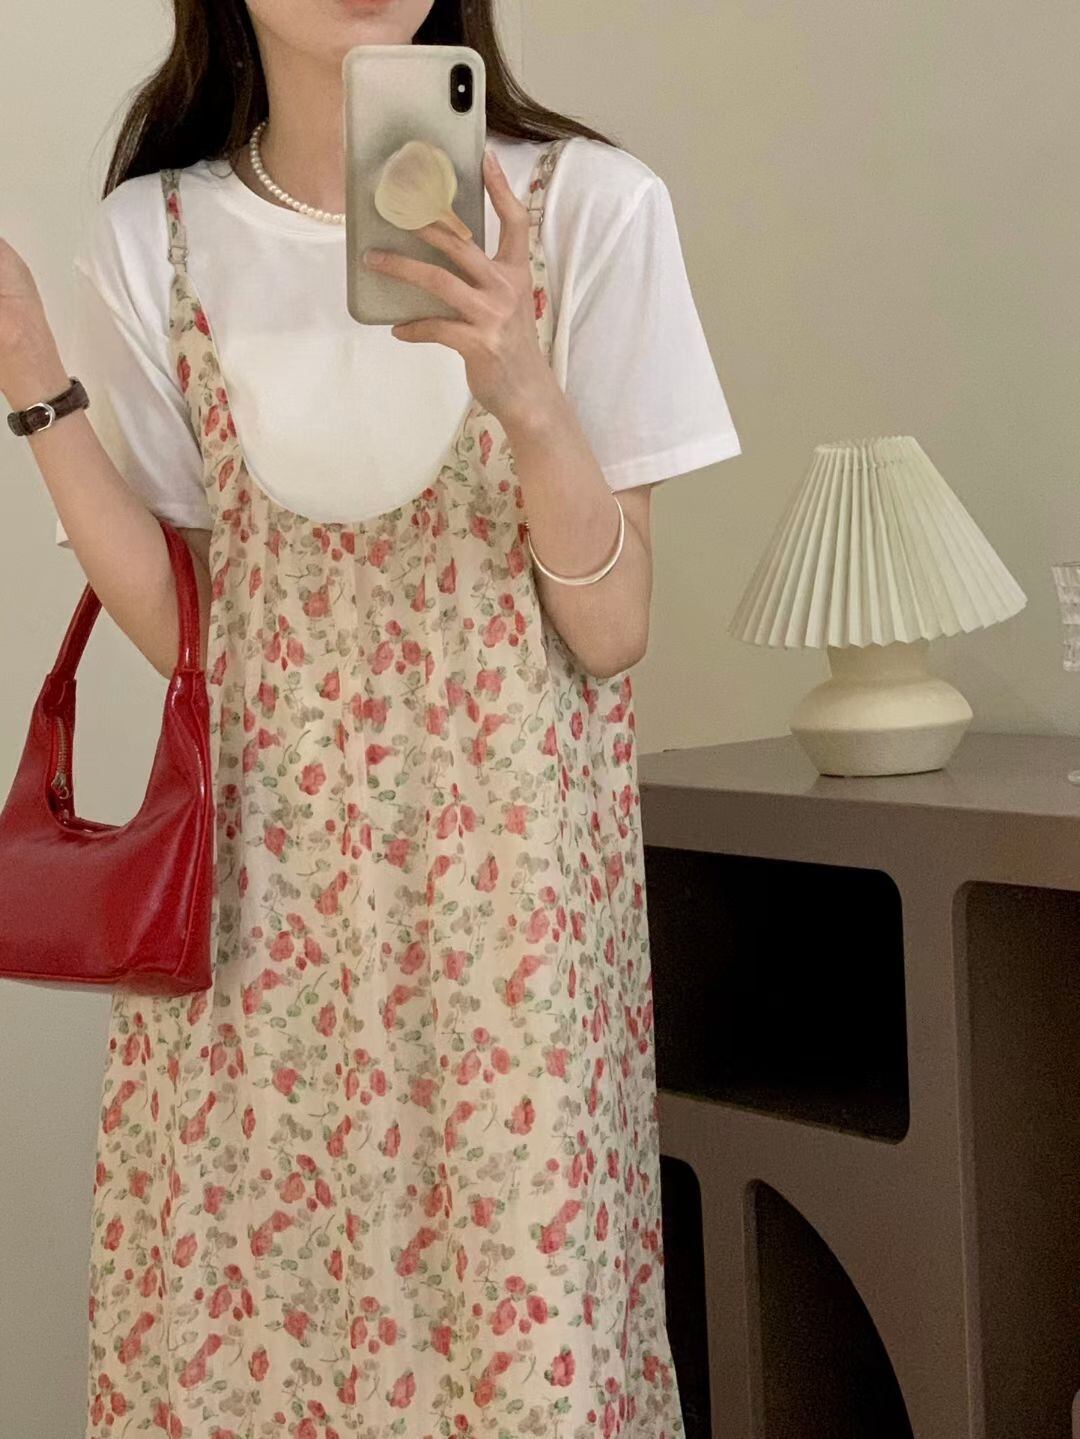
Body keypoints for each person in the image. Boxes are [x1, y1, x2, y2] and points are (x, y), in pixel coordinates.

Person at [0, 1, 741, 1433]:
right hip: (251, 938)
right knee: (245, 1365)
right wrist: (34, 372)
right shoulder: (155, 237)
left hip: (508, 955)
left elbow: (611, 631)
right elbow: (195, 640)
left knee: (518, 1370)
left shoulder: (593, 209)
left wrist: (527, 394)